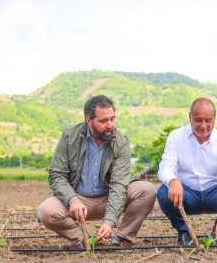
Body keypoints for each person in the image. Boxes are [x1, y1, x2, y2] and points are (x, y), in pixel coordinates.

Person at [37, 95, 156, 249]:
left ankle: (124, 238)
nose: (110, 125)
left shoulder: (121, 142)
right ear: (89, 120)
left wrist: (109, 221)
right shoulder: (69, 137)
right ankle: (80, 239)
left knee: (147, 190)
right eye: (103, 121)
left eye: (112, 119)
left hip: (107, 197)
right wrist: (72, 199)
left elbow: (119, 185)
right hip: (78, 199)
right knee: (46, 211)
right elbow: (56, 175)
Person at [156, 98, 217, 247]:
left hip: (214, 194)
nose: (203, 126)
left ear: (214, 119)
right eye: (198, 120)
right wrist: (173, 180)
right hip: (187, 194)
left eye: (208, 121)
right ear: (190, 117)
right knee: (163, 193)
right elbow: (165, 167)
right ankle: (184, 233)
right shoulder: (176, 137)